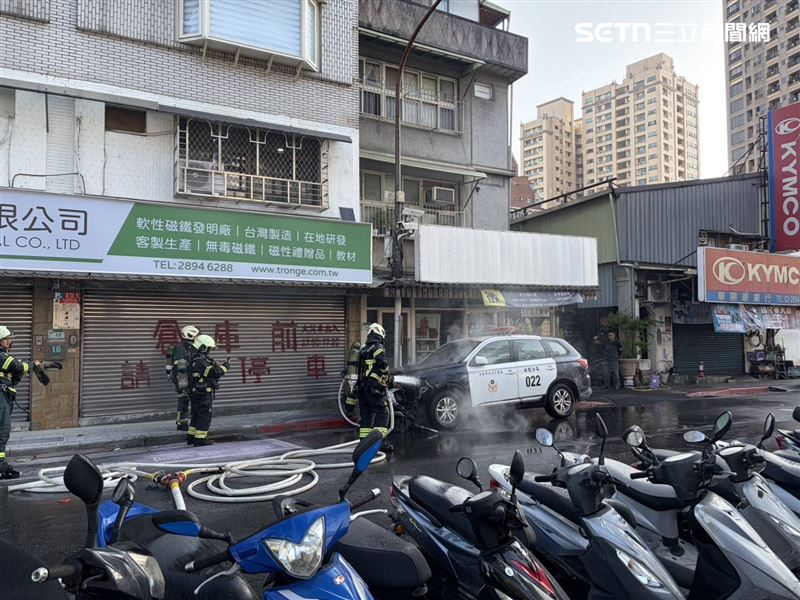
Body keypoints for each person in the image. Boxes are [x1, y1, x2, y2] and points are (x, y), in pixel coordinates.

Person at [0, 326, 43, 479]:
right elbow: (18, 366)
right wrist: (33, 364)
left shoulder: (4, 357)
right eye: (6, 339)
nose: (9, 342)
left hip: (4, 397)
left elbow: (15, 371)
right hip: (1, 399)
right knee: (2, 432)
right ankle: (1, 468)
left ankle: (2, 465)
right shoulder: (2, 357)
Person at [187, 334, 229, 446]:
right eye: (209, 348)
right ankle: (200, 439)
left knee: (196, 415)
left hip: (196, 393)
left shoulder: (195, 359)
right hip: (203, 394)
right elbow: (214, 373)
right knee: (204, 415)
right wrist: (225, 367)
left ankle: (191, 437)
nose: (209, 351)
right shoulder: (201, 361)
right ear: (203, 347)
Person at [356, 323, 391, 448]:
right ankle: (379, 443)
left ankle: (364, 444)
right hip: (373, 387)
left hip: (361, 388)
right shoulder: (378, 347)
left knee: (366, 415)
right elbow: (383, 365)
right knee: (382, 412)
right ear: (380, 334)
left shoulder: (363, 349)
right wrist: (387, 376)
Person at [169, 325, 199, 432]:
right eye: (196, 335)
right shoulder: (181, 348)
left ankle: (187, 421)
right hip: (182, 377)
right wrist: (183, 383)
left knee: (188, 399)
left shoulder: (190, 347)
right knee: (183, 400)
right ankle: (181, 423)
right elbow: (180, 366)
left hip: (188, 377)